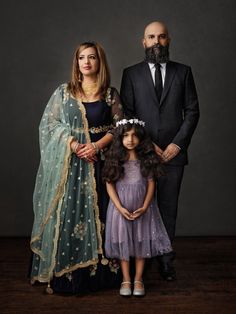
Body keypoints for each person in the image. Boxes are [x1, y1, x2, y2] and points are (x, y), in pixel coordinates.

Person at [30, 41, 123, 294]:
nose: (86, 62)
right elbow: (49, 125)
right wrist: (73, 144)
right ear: (77, 62)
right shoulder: (64, 92)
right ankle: (69, 274)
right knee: (72, 216)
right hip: (71, 167)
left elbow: (120, 126)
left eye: (92, 57)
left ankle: (101, 275)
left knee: (102, 216)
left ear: (99, 62)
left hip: (100, 165)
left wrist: (96, 147)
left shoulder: (109, 94)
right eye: (82, 57)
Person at [120, 21, 200, 281]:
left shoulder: (183, 72)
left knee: (167, 207)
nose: (156, 41)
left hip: (174, 155)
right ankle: (139, 257)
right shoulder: (131, 74)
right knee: (139, 205)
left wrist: (177, 144)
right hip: (141, 154)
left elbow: (192, 111)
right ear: (143, 42)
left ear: (169, 40)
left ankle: (166, 260)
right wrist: (147, 144)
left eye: (161, 37)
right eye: (151, 37)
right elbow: (127, 114)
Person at [103, 119, 172, 296]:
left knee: (142, 242)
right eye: (126, 135)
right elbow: (109, 184)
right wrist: (119, 207)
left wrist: (145, 206)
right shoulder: (116, 159)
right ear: (120, 138)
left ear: (141, 137)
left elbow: (151, 184)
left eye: (134, 135)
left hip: (143, 209)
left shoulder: (145, 159)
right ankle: (126, 278)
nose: (130, 139)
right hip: (121, 209)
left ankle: (138, 279)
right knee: (123, 242)